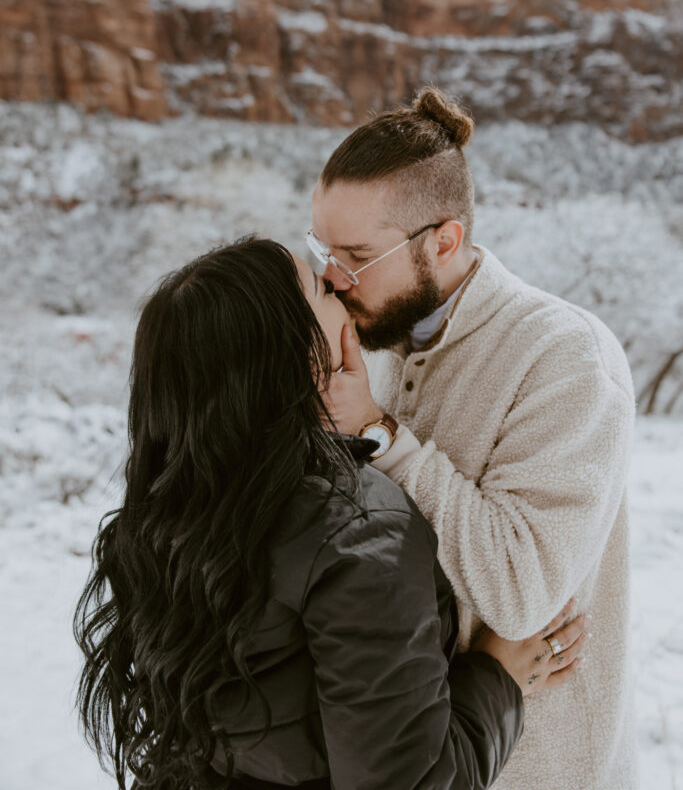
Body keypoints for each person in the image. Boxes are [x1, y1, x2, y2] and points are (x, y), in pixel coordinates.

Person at [73, 238, 587, 790]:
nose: (340, 284)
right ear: (297, 353)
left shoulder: (168, 513)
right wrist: (498, 677)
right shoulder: (360, 532)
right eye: (321, 287)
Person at [309, 87, 636, 790]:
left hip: (536, 769)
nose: (332, 279)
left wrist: (376, 431)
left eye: (355, 257)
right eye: (323, 250)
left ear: (443, 241)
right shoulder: (380, 336)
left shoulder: (565, 357)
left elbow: (520, 593)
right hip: (413, 755)